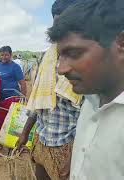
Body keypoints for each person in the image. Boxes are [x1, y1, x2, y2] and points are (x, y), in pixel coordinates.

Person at [47, 0, 124, 179]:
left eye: (74, 54)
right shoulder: (90, 100)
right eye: (60, 56)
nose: (61, 69)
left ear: (121, 43)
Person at [16, 0, 82, 180]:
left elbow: (90, 116)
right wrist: (24, 133)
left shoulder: (87, 60)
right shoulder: (47, 57)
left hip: (67, 146)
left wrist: (74, 157)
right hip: (41, 139)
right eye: (57, 24)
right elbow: (37, 99)